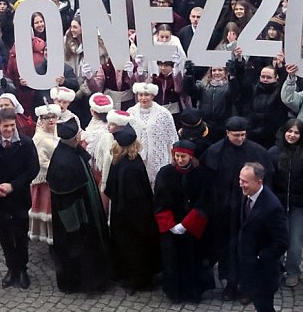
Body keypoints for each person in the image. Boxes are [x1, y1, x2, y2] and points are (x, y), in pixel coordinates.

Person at [200, 116, 273, 303]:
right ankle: (230, 284)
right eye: (236, 135)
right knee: (228, 249)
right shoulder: (215, 152)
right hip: (225, 212)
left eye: (243, 135)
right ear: (227, 133)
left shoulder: (257, 152)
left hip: (249, 210)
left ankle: (247, 287)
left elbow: (267, 182)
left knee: (249, 248)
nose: (240, 139)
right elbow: (207, 183)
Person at [45, 117, 111, 293]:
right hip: (77, 219)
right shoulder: (64, 163)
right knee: (79, 249)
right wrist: (77, 223)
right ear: (74, 139)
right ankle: (85, 283)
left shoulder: (70, 151)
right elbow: (66, 201)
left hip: (85, 210)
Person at [0, 108, 40, 289]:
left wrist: (13, 185)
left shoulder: (25, 143)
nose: (10, 130)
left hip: (18, 196)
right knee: (4, 235)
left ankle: (22, 268)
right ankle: (11, 268)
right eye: (6, 126)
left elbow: (32, 169)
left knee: (20, 234)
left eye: (12, 126)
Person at [153, 140, 213, 303]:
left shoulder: (200, 174)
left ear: (191, 157)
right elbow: (159, 201)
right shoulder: (165, 173)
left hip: (193, 226)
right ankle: (175, 293)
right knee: (172, 260)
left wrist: (187, 224)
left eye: (183, 156)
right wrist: (171, 225)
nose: (180, 160)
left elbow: (204, 201)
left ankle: (193, 293)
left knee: (193, 259)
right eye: (177, 156)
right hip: (171, 226)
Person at [104, 125, 161, 294]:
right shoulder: (134, 163)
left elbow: (110, 188)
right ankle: (138, 280)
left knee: (125, 245)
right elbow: (140, 194)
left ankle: (125, 275)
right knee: (137, 247)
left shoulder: (118, 160)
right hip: (136, 215)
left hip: (121, 215)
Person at [267, 119, 303, 288]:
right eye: (290, 131)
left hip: (299, 205)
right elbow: (269, 179)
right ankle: (276, 268)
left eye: (296, 132)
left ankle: (293, 271)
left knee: (296, 242)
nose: (292, 135)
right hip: (278, 204)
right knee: (278, 239)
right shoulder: (273, 152)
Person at [237, 162, 289, 312]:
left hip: (263, 271)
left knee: (264, 306)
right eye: (240, 179)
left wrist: (260, 257)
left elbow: (282, 242)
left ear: (259, 182)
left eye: (245, 181)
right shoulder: (248, 194)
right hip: (249, 265)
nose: (241, 184)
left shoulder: (271, 207)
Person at [128, 82, 179, 184]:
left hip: (157, 157)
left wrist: (173, 157)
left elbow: (172, 137)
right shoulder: (130, 113)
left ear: (152, 95)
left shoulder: (163, 113)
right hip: (137, 159)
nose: (143, 98)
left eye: (146, 95)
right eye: (140, 95)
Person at [28, 103, 61, 244]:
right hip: (45, 181)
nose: (51, 120)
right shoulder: (39, 138)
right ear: (41, 120)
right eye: (47, 118)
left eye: (53, 117)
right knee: (48, 212)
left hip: (57, 178)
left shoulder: (56, 133)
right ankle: (50, 239)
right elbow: (42, 161)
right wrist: (59, 169)